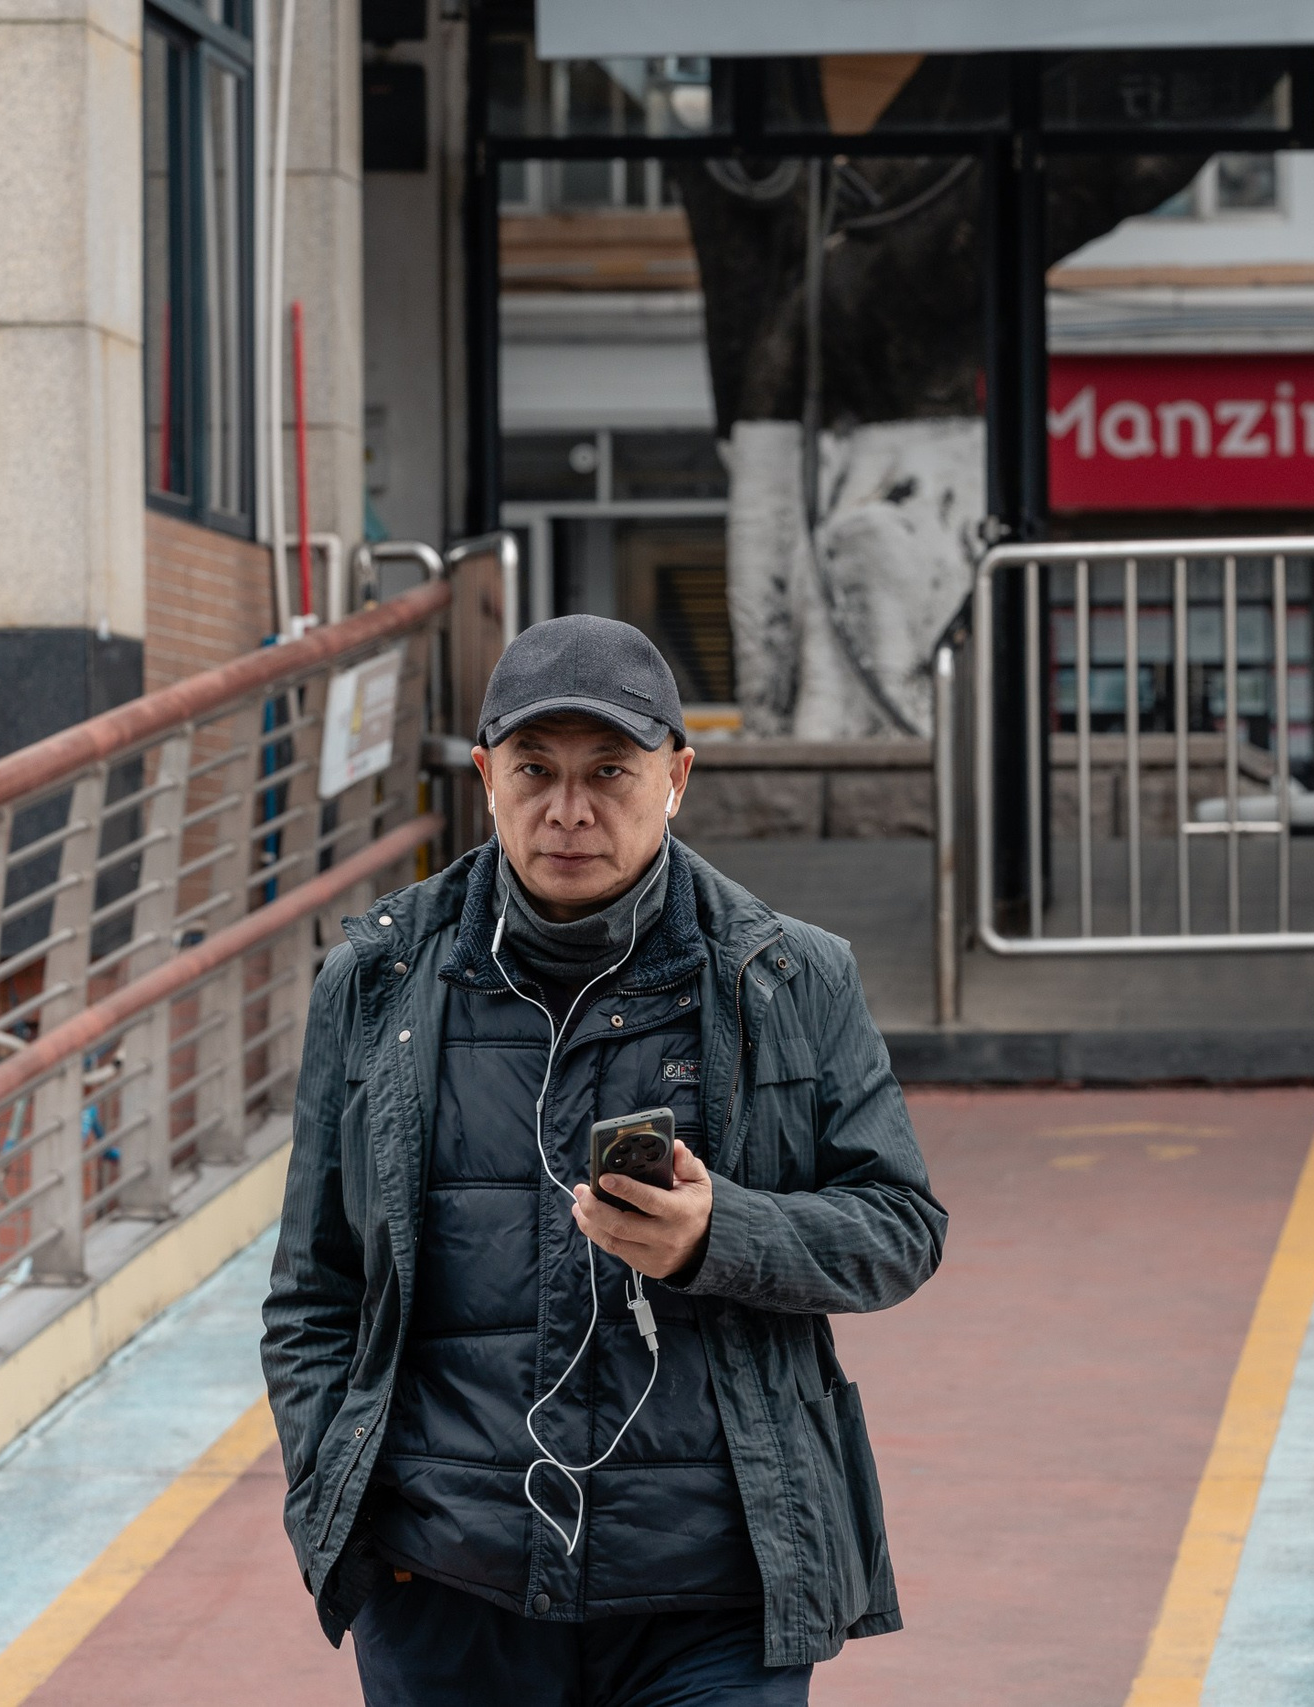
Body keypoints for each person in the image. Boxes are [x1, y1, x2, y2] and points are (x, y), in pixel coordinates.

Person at [260, 615, 946, 1707]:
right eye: (534, 770)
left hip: (709, 1589)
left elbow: (901, 1229)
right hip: (447, 1584)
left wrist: (722, 1236)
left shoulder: (786, 976)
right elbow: (315, 1288)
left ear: (677, 777)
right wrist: (342, 1507)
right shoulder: (378, 982)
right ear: (485, 776)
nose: (568, 811)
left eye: (610, 773)